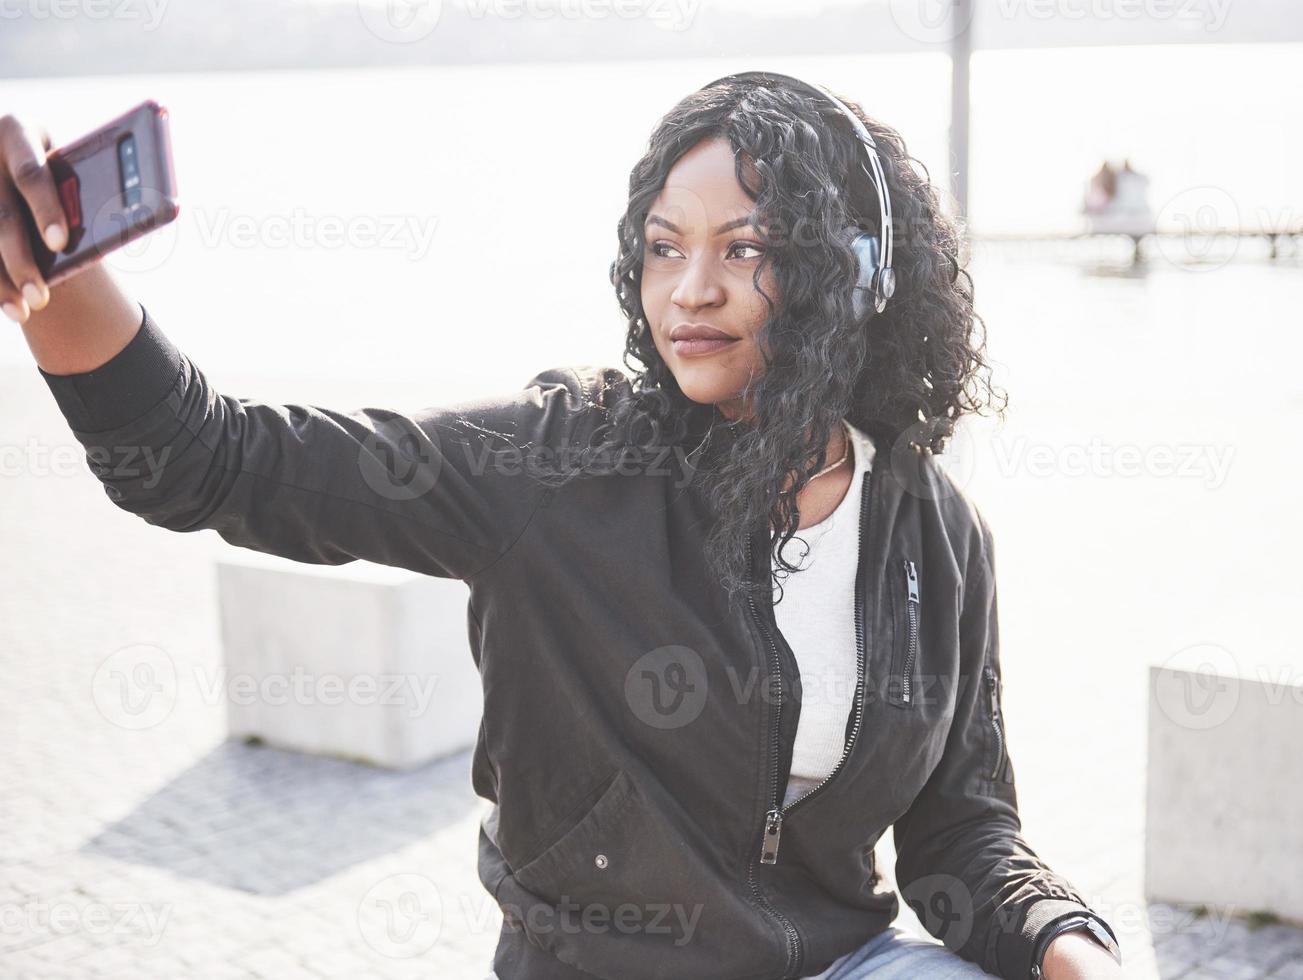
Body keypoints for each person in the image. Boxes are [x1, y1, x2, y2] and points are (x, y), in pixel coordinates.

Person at [4, 72, 1123, 980]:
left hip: (840, 960)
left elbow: (961, 832)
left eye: (745, 247)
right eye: (661, 245)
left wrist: (1068, 945)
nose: (688, 288)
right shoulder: (557, 463)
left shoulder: (934, 535)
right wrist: (58, 277)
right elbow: (208, 461)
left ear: (854, 273)